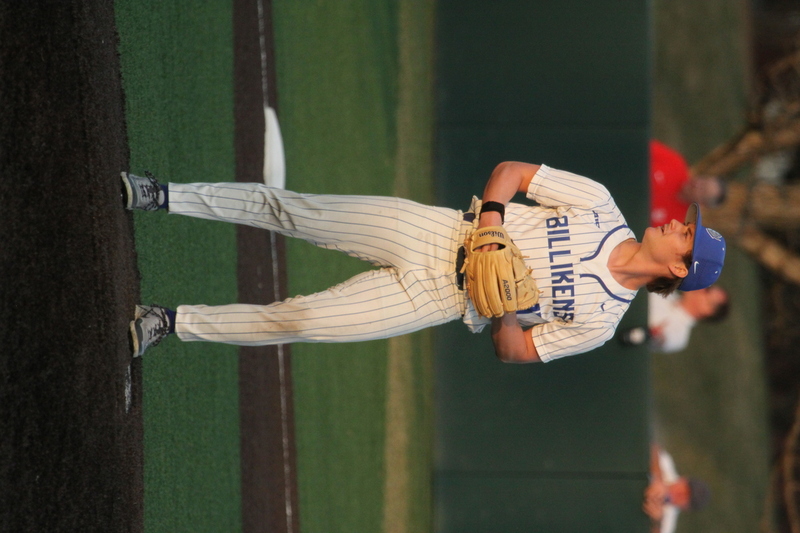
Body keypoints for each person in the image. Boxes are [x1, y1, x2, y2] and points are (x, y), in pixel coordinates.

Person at [121, 161, 726, 362]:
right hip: (436, 232)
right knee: (296, 212)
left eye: (685, 240)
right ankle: (161, 195)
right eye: (686, 225)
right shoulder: (599, 204)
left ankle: (168, 322)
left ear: (678, 271)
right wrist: (492, 222)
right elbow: (511, 173)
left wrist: (507, 314)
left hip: (441, 301)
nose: (678, 224)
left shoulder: (600, 321)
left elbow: (515, 350)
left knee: (302, 321)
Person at [618, 285, 730, 353]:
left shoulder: (679, 335)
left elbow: (659, 338)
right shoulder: (667, 290)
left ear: (707, 310)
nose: (702, 287)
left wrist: (656, 334)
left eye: (707, 291)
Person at [650, 139, 727, 228]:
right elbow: (641, 146)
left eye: (702, 189)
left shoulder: (674, 224)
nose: (697, 184)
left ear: (701, 204)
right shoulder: (675, 163)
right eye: (703, 181)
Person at [643, 444, 711, 533]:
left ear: (685, 508)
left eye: (686, 498)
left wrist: (656, 522)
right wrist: (657, 478)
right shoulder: (666, 465)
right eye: (685, 489)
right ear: (683, 479)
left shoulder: (667, 522)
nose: (680, 494)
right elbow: (650, 445)